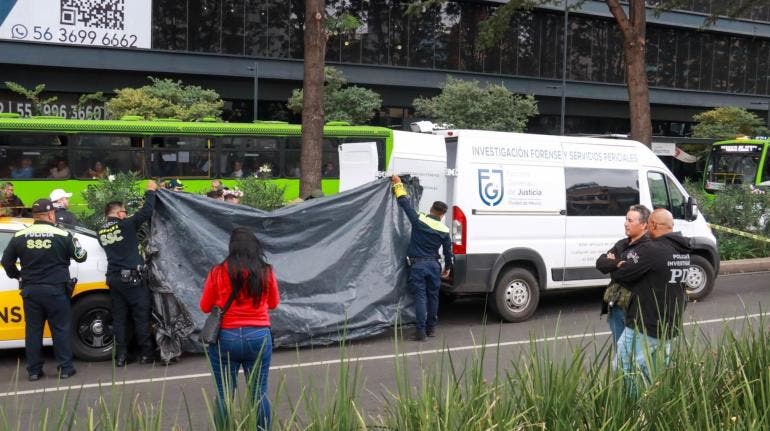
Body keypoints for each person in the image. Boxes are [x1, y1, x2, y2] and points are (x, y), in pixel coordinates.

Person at [200, 227, 279, 430]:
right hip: (259, 336)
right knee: (259, 392)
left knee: (225, 393)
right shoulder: (266, 271)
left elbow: (205, 306)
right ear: (255, 246)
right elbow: (273, 303)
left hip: (226, 337)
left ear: (231, 247)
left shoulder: (217, 271)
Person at [1, 198, 87, 381]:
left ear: (34, 215)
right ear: (50, 214)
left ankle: (33, 371)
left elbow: (6, 262)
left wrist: (18, 276)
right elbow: (81, 257)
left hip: (31, 291)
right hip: (56, 290)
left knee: (33, 331)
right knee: (60, 329)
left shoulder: (19, 236)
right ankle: (65, 369)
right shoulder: (62, 234)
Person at [612, 208, 691, 394]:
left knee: (625, 368)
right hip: (668, 326)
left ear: (653, 225)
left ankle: (632, 412)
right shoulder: (683, 251)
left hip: (644, 325)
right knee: (654, 374)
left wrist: (615, 263)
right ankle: (653, 411)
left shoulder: (652, 250)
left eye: (648, 225)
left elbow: (621, 273)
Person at [97, 180, 158, 367]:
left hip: (114, 279)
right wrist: (150, 191)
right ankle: (146, 354)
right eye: (124, 211)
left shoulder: (100, 231)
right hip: (133, 279)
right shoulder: (126, 225)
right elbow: (147, 212)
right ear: (117, 213)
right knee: (141, 316)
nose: (126, 214)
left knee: (120, 319)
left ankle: (121, 357)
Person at [390, 175, 453, 341]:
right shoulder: (444, 230)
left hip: (418, 265)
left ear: (432, 209)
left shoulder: (419, 220)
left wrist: (398, 184)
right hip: (434, 266)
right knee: (433, 297)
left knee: (420, 298)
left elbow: (404, 203)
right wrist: (447, 269)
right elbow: (448, 253)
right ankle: (431, 329)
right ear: (442, 214)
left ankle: (420, 332)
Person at [596, 204, 650, 344]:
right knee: (619, 353)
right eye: (626, 219)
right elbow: (600, 263)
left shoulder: (648, 247)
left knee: (632, 353)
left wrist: (615, 265)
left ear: (644, 225)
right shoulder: (621, 244)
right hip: (616, 306)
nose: (625, 224)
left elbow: (626, 274)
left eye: (630, 221)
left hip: (634, 310)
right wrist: (618, 264)